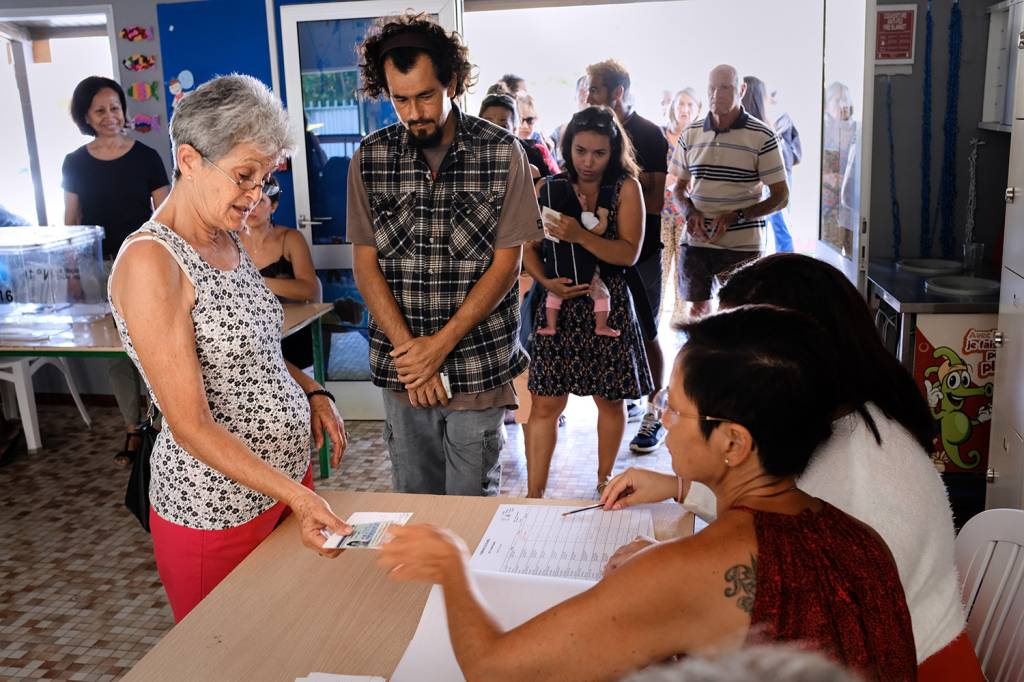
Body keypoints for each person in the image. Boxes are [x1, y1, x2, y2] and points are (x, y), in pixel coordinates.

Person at [377, 306, 918, 682]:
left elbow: (493, 670)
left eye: (677, 409)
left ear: (733, 442)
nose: (663, 419)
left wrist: (452, 567)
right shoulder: (864, 543)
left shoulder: (687, 571)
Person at [601, 254, 984, 681]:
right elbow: (777, 506)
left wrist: (674, 575)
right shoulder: (840, 421)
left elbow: (811, 613)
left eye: (736, 348)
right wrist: (680, 488)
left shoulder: (868, 474)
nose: (722, 367)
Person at [107, 74, 353, 623]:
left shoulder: (227, 237)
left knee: (288, 638)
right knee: (226, 656)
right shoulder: (153, 261)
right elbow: (191, 424)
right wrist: (299, 497)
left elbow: (253, 353)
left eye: (264, 180)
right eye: (245, 176)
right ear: (189, 159)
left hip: (284, 485)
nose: (256, 196)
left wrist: (311, 391)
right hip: (216, 510)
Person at [348, 14, 542, 496]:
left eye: (426, 95)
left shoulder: (503, 153)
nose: (413, 113)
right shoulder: (370, 158)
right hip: (405, 368)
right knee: (417, 503)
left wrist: (440, 346)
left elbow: (507, 265)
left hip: (476, 361)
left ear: (452, 82)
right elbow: (365, 264)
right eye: (400, 99)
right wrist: (414, 357)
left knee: (471, 507)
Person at [522, 105, 651, 497]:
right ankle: (533, 494)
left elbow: (628, 253)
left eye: (599, 153)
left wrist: (579, 234)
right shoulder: (548, 188)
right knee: (544, 404)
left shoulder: (627, 188)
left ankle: (604, 481)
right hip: (557, 309)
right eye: (580, 151)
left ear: (614, 151)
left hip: (605, 306)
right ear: (568, 147)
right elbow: (527, 248)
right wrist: (547, 282)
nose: (589, 162)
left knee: (609, 402)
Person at [62, 76, 171, 466]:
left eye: (115, 107)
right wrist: (72, 274)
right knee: (115, 351)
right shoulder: (74, 162)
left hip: (144, 262)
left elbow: (165, 215)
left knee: (153, 343)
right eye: (100, 110)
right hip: (98, 266)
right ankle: (132, 428)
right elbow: (72, 221)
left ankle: (160, 423)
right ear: (85, 116)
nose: (110, 116)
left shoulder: (146, 157)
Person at [585, 59, 669, 454]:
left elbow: (651, 203)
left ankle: (655, 411)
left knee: (647, 331)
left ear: (617, 93)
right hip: (597, 259)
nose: (588, 96)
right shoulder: (587, 131)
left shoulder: (649, 135)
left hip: (642, 255)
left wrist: (604, 219)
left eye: (596, 89)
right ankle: (627, 401)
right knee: (611, 333)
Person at [671, 65, 788, 322]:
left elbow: (781, 196)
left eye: (725, 88)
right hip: (696, 241)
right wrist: (689, 212)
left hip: (742, 245)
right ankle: (701, 362)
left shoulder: (762, 136)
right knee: (697, 313)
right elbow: (678, 189)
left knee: (738, 315)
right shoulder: (691, 133)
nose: (717, 94)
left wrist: (739, 214)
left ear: (742, 90)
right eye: (712, 88)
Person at [238, 175, 320, 368]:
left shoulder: (291, 238)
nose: (252, 208)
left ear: (273, 207)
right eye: (248, 202)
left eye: (260, 202)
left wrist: (256, 281)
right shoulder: (230, 241)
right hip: (248, 334)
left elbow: (309, 289)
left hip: (290, 333)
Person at [661, 88, 702, 326]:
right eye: (680, 104)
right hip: (663, 214)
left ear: (697, 109)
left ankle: (679, 328)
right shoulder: (661, 135)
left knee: (683, 277)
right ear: (673, 107)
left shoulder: (700, 138)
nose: (684, 109)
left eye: (689, 105)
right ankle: (653, 329)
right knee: (662, 271)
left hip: (689, 216)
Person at [742, 76, 794, 254]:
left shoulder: (757, 130)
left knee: (780, 232)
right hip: (768, 190)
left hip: (765, 192)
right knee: (781, 232)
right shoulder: (764, 129)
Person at [478, 92, 557, 179]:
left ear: (515, 129)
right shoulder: (469, 155)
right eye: (488, 125)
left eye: (503, 126)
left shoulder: (531, 156)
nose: (494, 132)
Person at [769, 86, 802, 253]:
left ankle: (785, 265)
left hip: (779, 174)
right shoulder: (782, 118)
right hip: (781, 173)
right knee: (780, 224)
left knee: (780, 224)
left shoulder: (781, 118)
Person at [516, 92, 557, 159]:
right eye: (520, 120)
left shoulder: (544, 143)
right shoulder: (505, 142)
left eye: (530, 120)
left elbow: (553, 169)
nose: (525, 126)